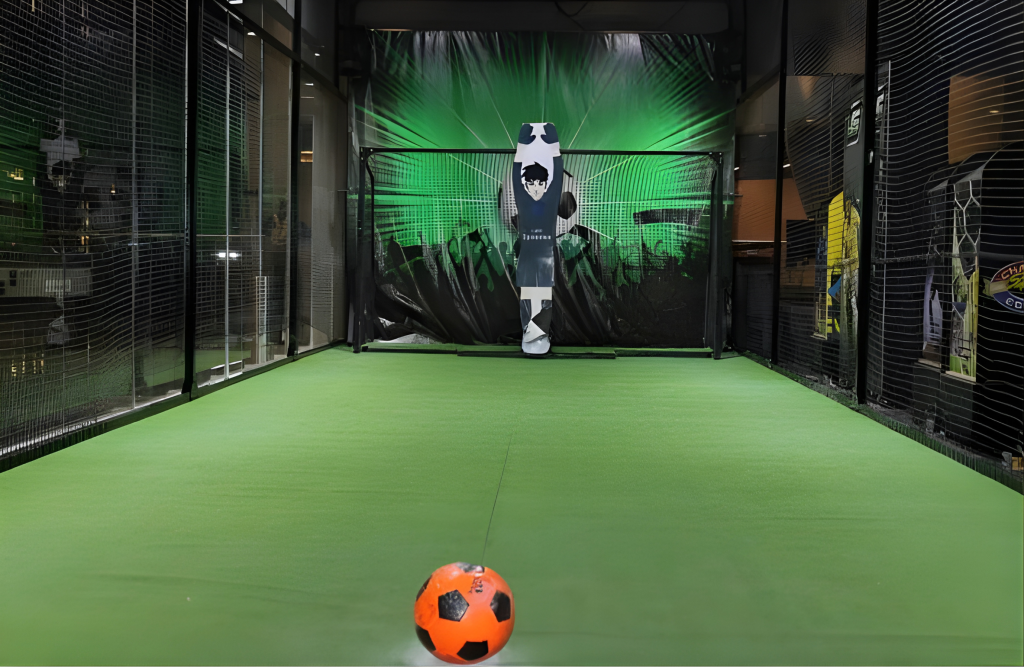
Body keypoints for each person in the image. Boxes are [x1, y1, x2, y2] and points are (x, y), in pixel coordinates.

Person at [512, 123, 562, 354]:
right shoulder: (523, 199)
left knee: (543, 299)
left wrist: (554, 149)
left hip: (545, 258)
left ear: (545, 183)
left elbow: (558, 176)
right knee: (528, 298)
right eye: (531, 183)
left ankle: (540, 334)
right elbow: (516, 177)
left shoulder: (550, 200)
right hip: (527, 257)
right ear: (526, 184)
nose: (535, 187)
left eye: (540, 183)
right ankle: (528, 333)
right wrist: (521, 148)